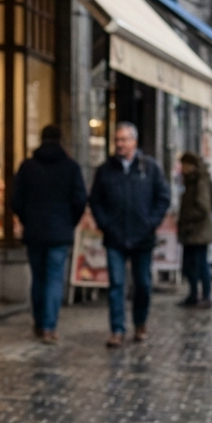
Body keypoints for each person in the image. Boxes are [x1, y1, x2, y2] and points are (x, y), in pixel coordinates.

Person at [88, 121, 170, 347]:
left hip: (142, 236)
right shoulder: (106, 169)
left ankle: (140, 322)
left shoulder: (149, 168)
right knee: (116, 284)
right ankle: (117, 329)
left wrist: (151, 222)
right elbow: (95, 200)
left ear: (134, 142)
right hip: (115, 236)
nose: (120, 144)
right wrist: (104, 223)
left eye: (124, 140)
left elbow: (163, 197)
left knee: (142, 283)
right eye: (117, 140)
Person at [11, 124, 87, 343]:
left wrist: (28, 219)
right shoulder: (71, 167)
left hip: (34, 231)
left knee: (38, 278)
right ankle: (49, 327)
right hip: (60, 232)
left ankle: (38, 322)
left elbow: (16, 200)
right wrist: (68, 222)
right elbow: (80, 199)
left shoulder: (28, 166)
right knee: (54, 279)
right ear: (60, 141)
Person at [176, 152, 212, 308]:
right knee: (190, 264)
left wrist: (189, 220)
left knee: (200, 263)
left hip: (198, 231)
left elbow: (203, 207)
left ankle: (205, 295)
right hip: (191, 231)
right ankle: (193, 294)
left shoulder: (199, 181)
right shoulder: (190, 181)